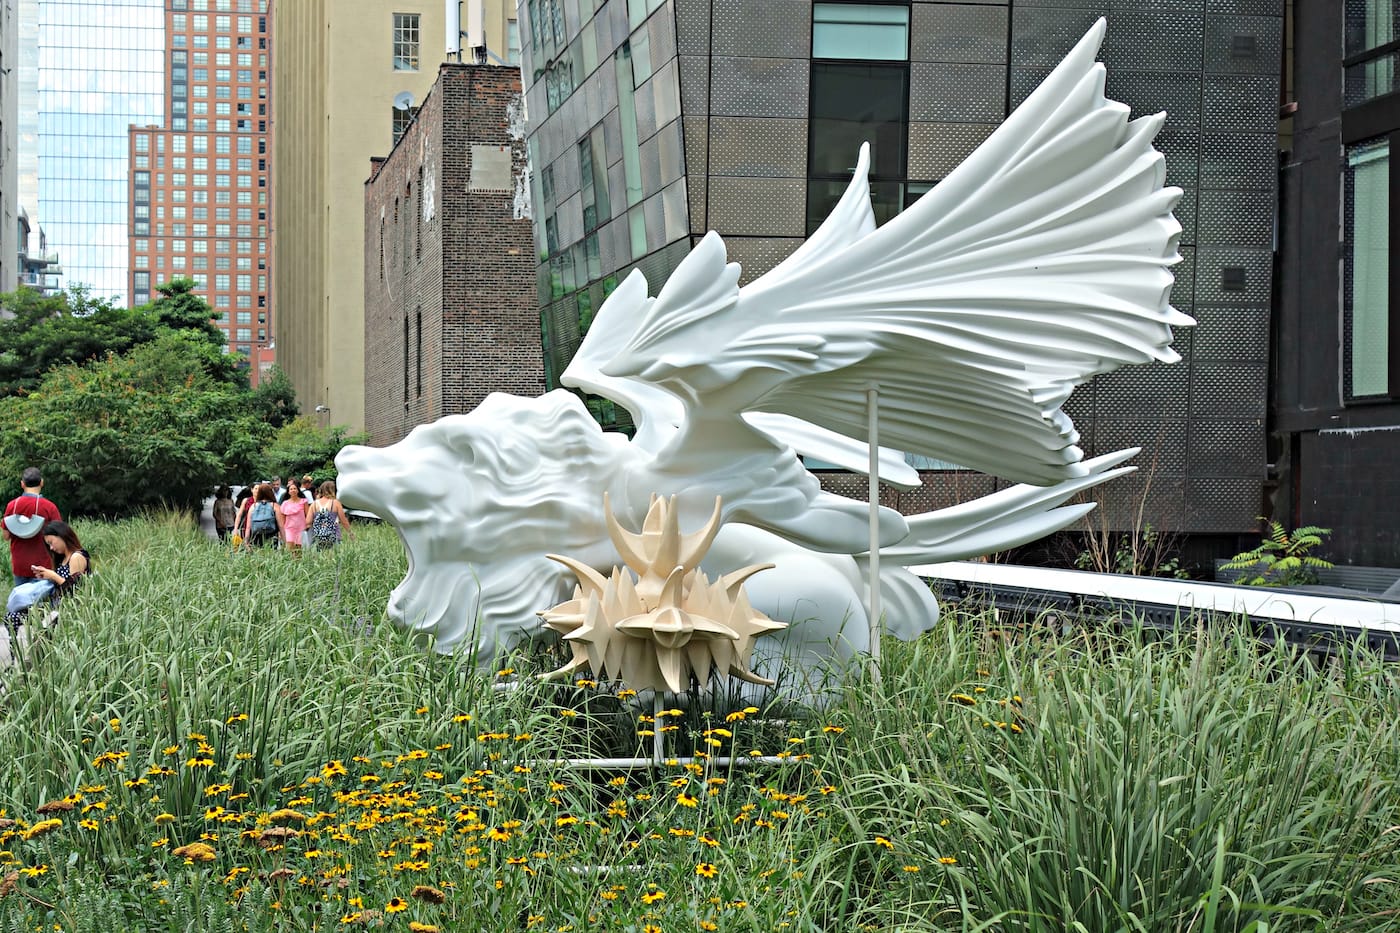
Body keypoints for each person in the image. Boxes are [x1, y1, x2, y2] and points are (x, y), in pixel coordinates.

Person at [6, 519, 88, 630]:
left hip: (66, 611)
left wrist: (53, 576)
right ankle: (13, 646)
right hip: (53, 605)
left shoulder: (77, 557)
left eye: (51, 543)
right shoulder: (63, 558)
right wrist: (47, 576)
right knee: (11, 617)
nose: (51, 548)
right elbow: (61, 583)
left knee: (17, 619)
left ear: (62, 536)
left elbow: (74, 591)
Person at [4, 467, 62, 586]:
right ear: (41, 482)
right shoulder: (49, 507)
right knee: (41, 602)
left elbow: (6, 536)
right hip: (43, 566)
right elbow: (59, 537)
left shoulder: (12, 506)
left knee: (21, 602)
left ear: (22, 484)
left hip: (20, 565)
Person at [308, 480, 352, 549]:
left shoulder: (314, 504)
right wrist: (350, 533)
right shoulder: (336, 503)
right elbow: (343, 520)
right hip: (334, 535)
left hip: (318, 535)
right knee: (334, 557)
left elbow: (308, 522)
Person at [242, 483, 282, 548]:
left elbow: (248, 527)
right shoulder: (275, 506)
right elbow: (281, 526)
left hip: (255, 537)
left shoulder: (253, 506)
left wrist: (246, 542)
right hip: (271, 537)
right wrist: (285, 542)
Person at [278, 478, 309, 553]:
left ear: (298, 490)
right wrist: (280, 531)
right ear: (288, 492)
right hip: (288, 529)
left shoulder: (303, 501)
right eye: (291, 489)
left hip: (300, 529)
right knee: (289, 549)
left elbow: (307, 515)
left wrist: (308, 526)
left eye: (295, 488)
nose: (293, 490)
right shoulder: (285, 503)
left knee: (299, 551)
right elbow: (282, 519)